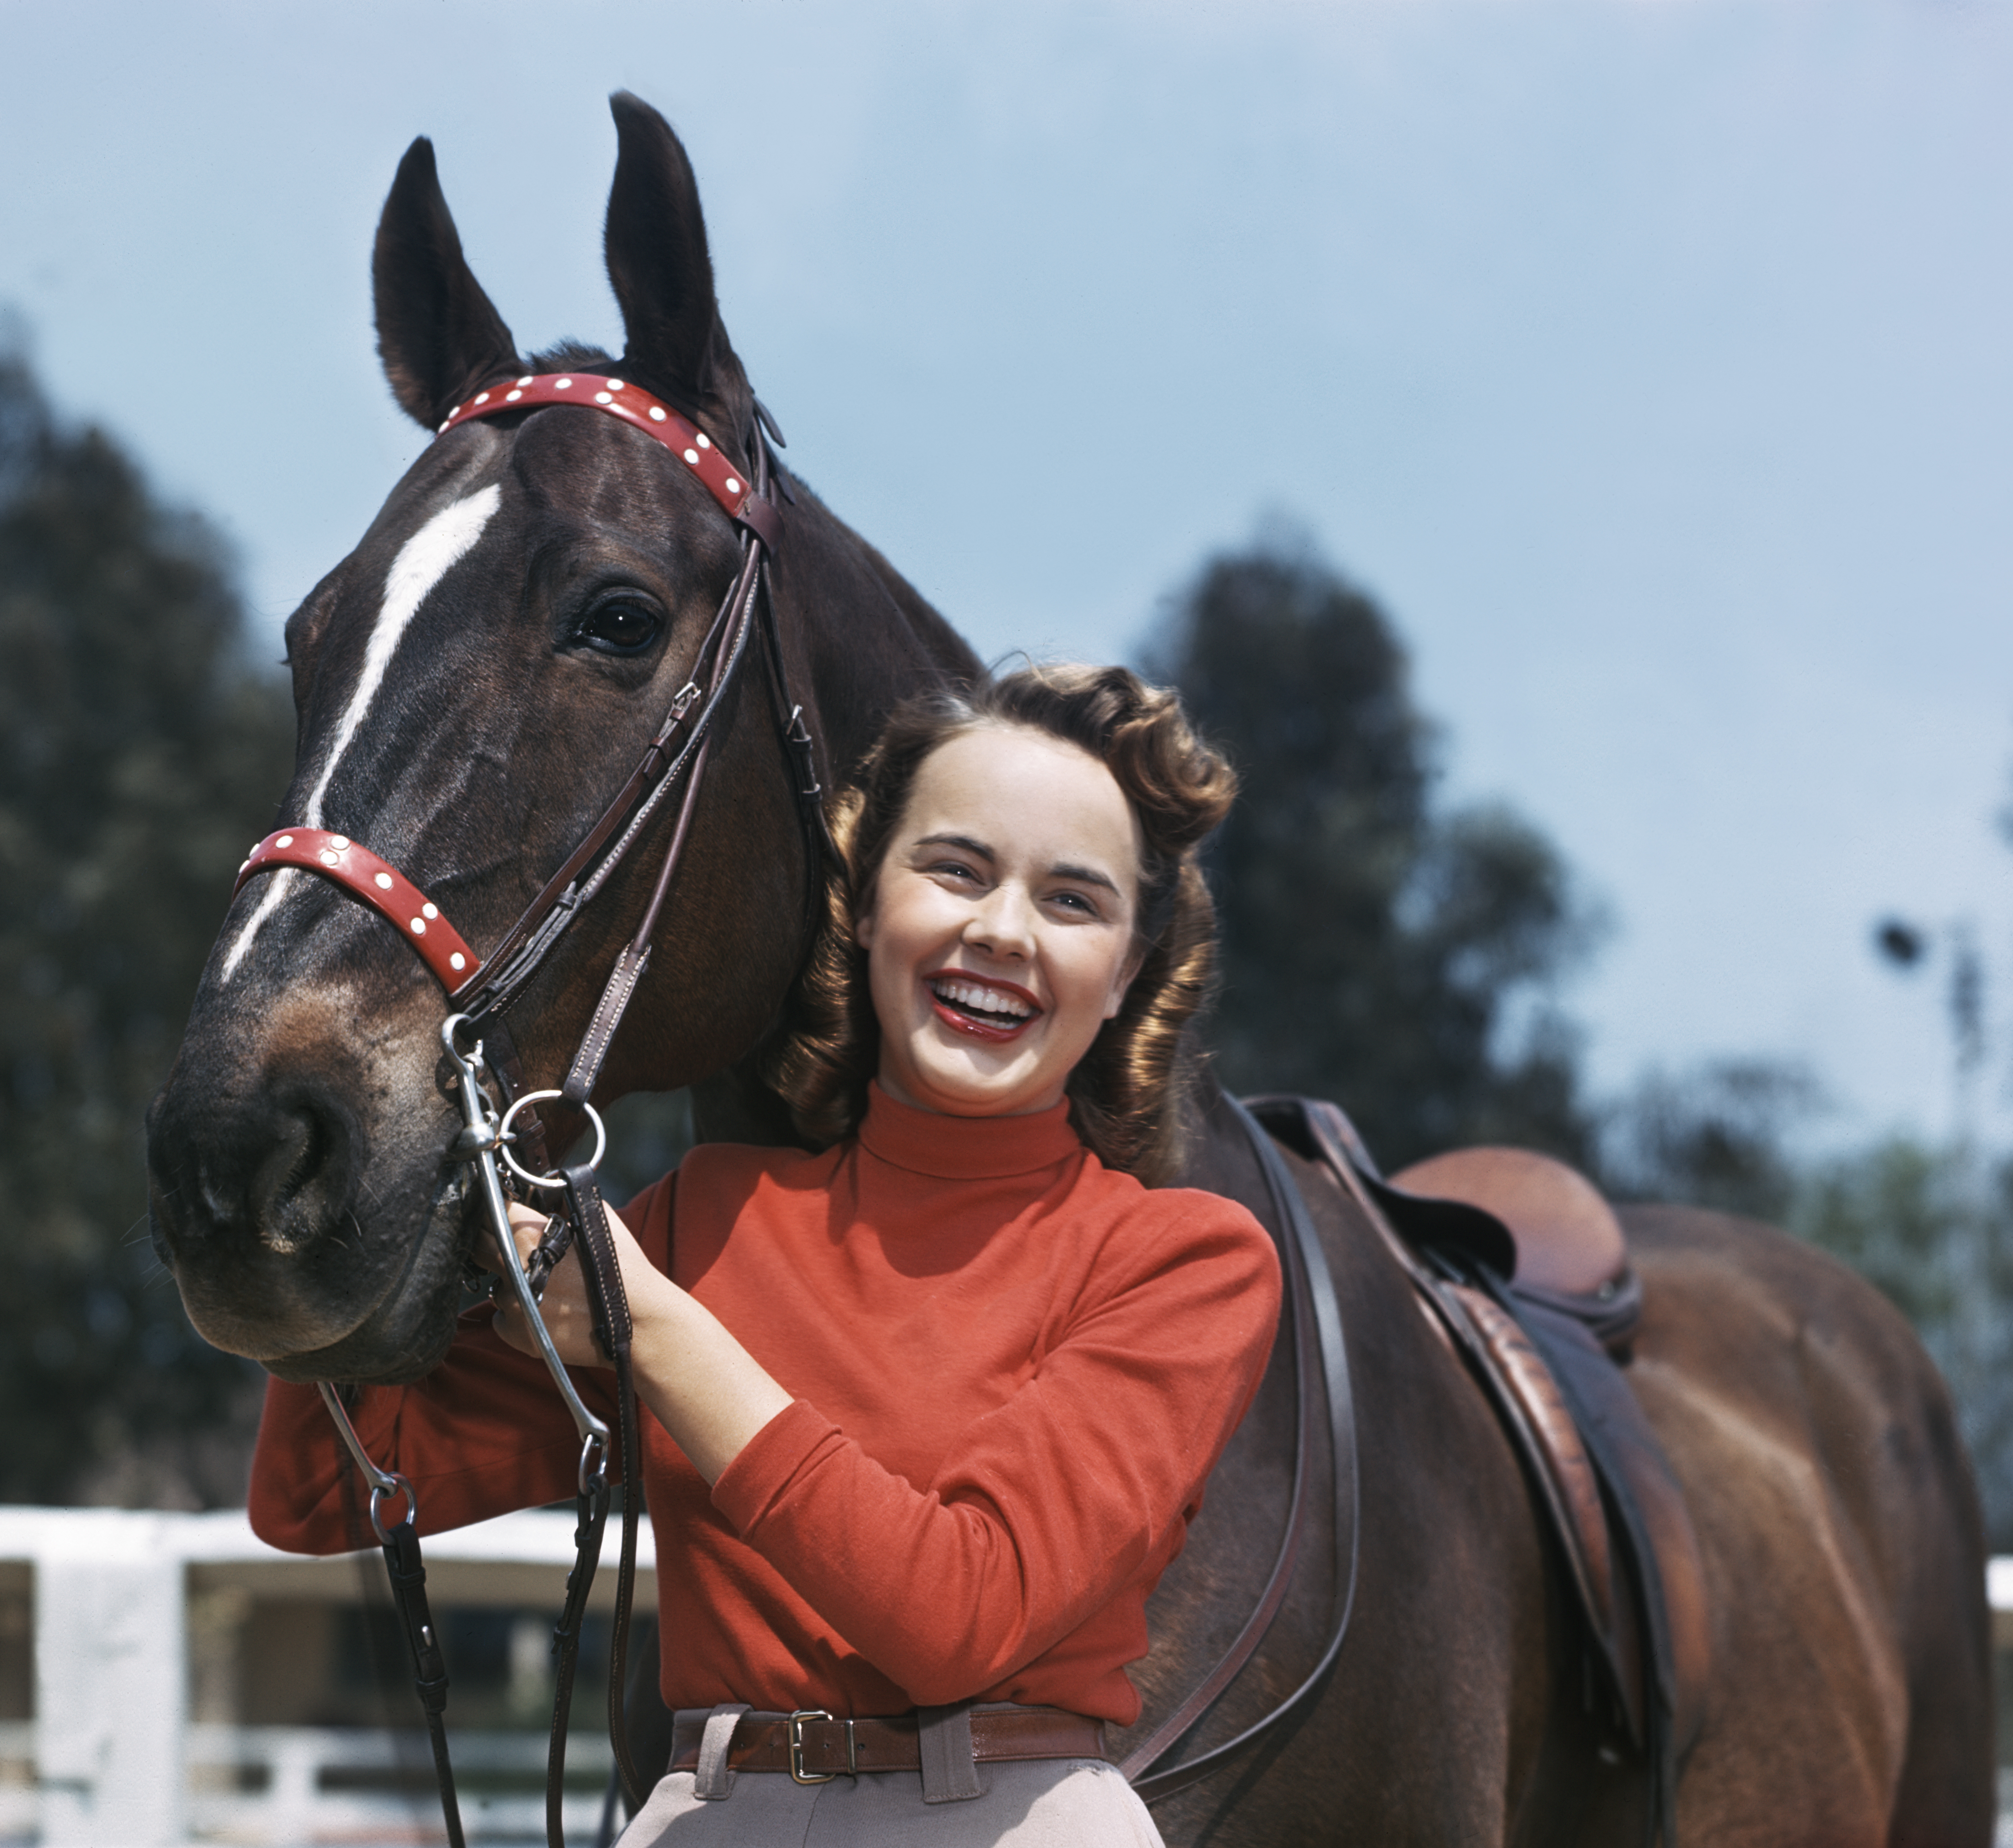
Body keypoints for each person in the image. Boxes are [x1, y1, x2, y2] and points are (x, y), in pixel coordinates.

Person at [249, 663, 1282, 1845]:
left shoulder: (1184, 1261)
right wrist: (337, 1151)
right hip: (710, 1814)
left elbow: (963, 1616)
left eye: (1072, 901)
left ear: (1130, 973)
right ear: (865, 902)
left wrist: (663, 1334)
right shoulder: (708, 1216)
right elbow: (325, 1489)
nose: (1000, 931)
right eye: (955, 869)